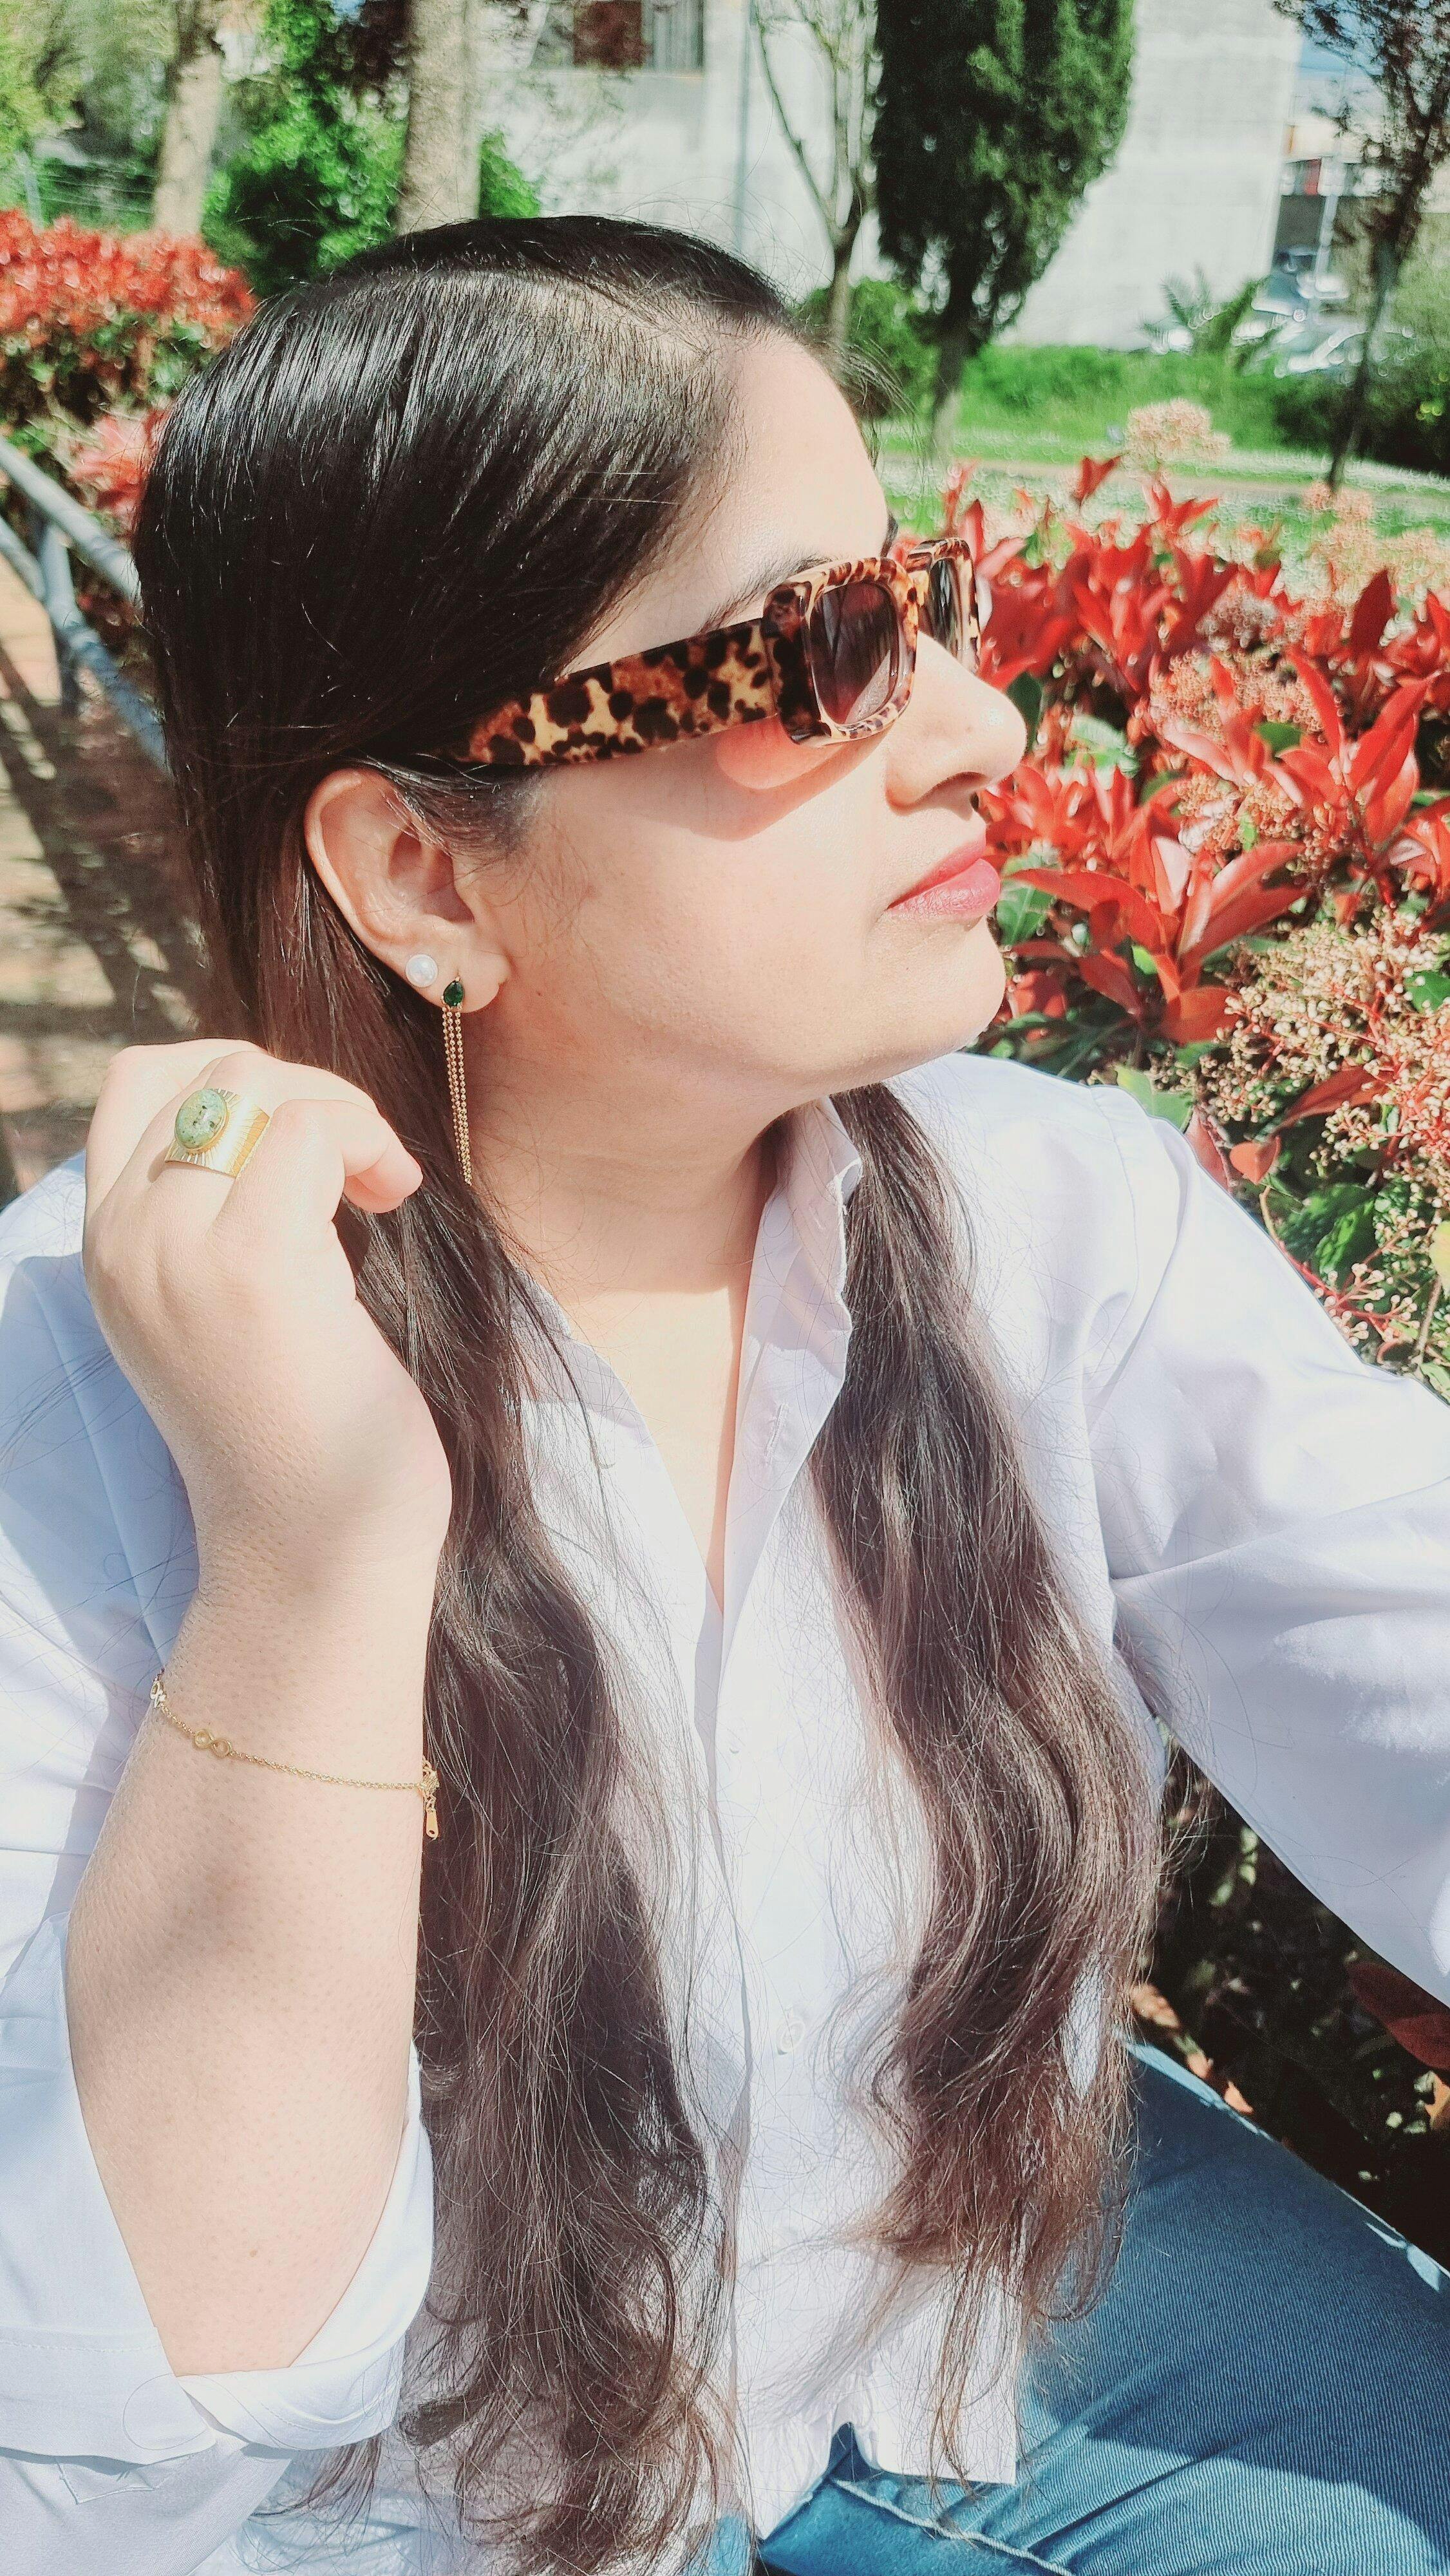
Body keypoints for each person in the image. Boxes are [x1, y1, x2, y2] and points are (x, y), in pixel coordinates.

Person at [0, 217, 1445, 2576]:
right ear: (420, 868)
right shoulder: (65, 1400)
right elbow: (157, 2397)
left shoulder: (1050, 1222)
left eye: (929, 601)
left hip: (980, 2273)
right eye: (821, 655)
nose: (983, 728)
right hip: (402, 2488)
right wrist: (303, 1559)